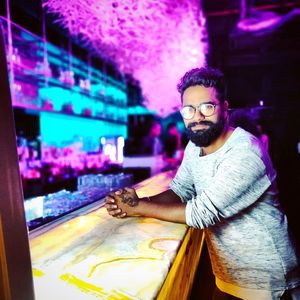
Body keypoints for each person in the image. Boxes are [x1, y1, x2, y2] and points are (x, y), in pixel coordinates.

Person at [105, 67, 300, 299]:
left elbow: (203, 214)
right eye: (189, 110)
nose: (197, 117)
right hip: (229, 274)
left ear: (225, 109)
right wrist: (139, 201)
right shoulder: (194, 147)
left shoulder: (246, 151)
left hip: (269, 279)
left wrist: (136, 208)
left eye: (207, 107)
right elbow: (180, 190)